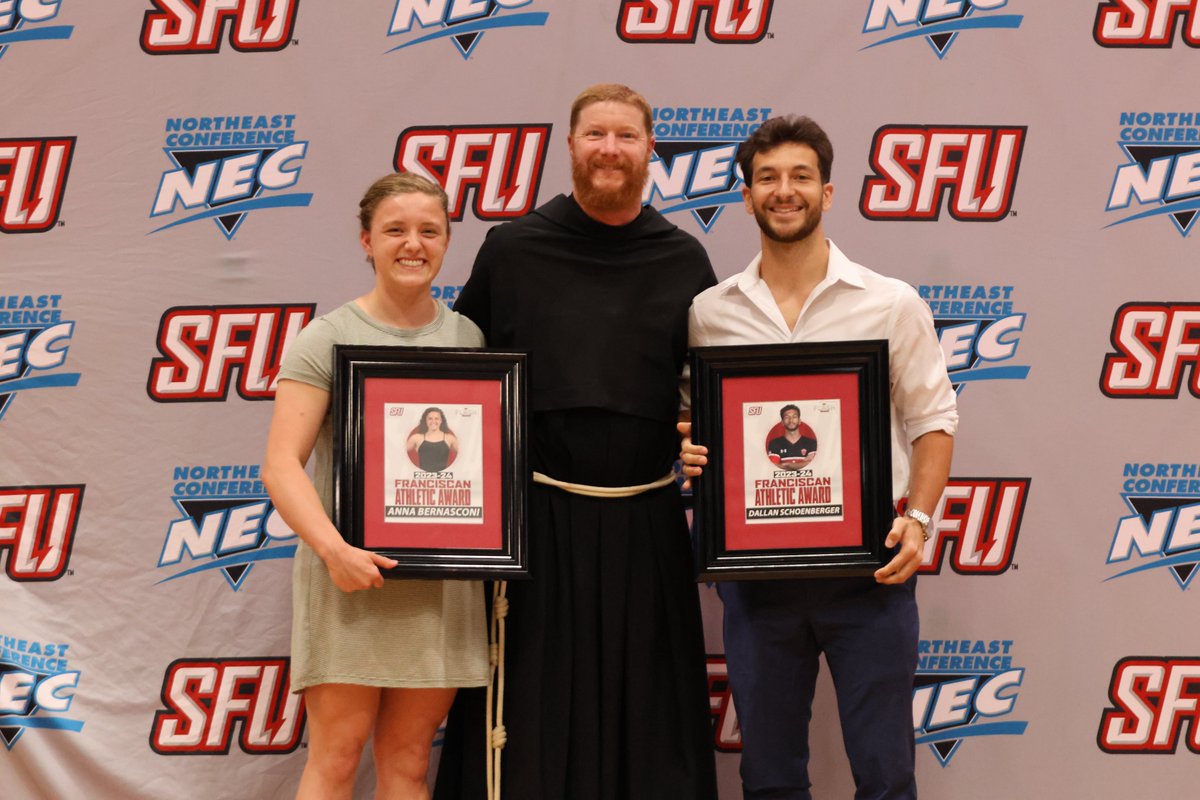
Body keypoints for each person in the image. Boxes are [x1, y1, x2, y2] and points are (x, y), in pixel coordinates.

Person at [434, 83, 719, 800]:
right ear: (569, 146)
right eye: (596, 134)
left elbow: (715, 397)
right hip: (537, 524)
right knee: (529, 714)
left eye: (627, 136)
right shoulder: (513, 248)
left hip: (648, 523)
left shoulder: (684, 259)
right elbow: (456, 382)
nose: (610, 149)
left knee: (650, 709)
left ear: (652, 148)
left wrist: (705, 441)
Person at [680, 115, 958, 799]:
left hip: (870, 573)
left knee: (885, 774)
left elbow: (934, 422)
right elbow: (694, 419)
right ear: (745, 195)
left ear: (827, 192)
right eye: (768, 178)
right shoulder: (711, 314)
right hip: (755, 581)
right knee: (769, 776)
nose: (784, 191)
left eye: (800, 177)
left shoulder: (891, 303)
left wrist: (919, 520)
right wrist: (686, 447)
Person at [263, 173, 488, 800]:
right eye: (395, 230)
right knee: (335, 759)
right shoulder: (326, 338)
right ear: (366, 240)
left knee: (411, 762)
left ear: (446, 241)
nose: (412, 244)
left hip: (438, 584)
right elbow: (281, 465)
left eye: (428, 231)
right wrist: (336, 551)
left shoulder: (467, 340)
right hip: (348, 582)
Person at [766, 403, 818, 469]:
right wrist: (804, 462)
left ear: (799, 421)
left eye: (794, 417)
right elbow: (773, 467)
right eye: (787, 417)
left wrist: (787, 465)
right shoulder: (774, 443)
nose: (791, 420)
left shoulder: (811, 443)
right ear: (782, 422)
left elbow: (815, 466)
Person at [407, 407, 458, 472]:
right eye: (430, 419)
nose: (433, 421)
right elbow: (400, 453)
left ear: (441, 420)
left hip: (443, 479)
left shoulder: (450, 438)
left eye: (436, 418)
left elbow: (463, 455)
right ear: (425, 420)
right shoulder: (416, 438)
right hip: (423, 478)